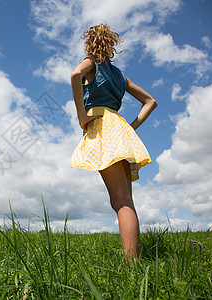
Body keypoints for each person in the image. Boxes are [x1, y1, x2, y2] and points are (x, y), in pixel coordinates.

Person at [70, 24, 157, 259]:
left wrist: (82, 117)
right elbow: (150, 101)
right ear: (111, 46)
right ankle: (133, 260)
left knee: (120, 202)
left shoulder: (91, 63)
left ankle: (131, 266)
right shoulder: (120, 76)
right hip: (119, 128)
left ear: (90, 43)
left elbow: (75, 75)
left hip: (103, 128)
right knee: (126, 200)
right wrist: (130, 127)